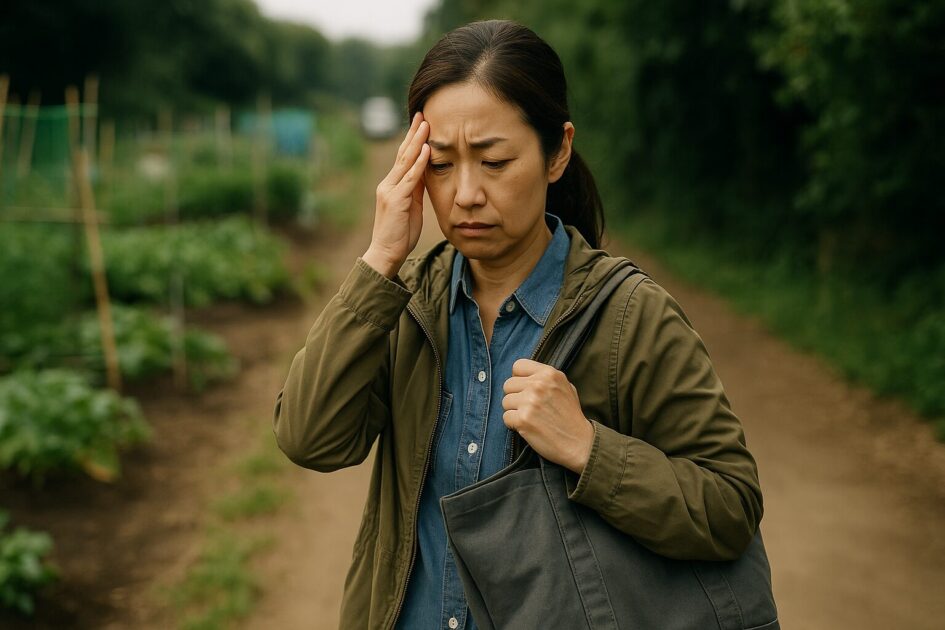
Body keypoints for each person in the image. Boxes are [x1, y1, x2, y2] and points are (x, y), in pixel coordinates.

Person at [273, 19, 764, 630]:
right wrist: (380, 261)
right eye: (442, 164)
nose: (466, 194)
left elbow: (730, 505)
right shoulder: (406, 307)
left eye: (495, 161)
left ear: (557, 151)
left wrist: (591, 450)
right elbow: (309, 438)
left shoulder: (631, 318)